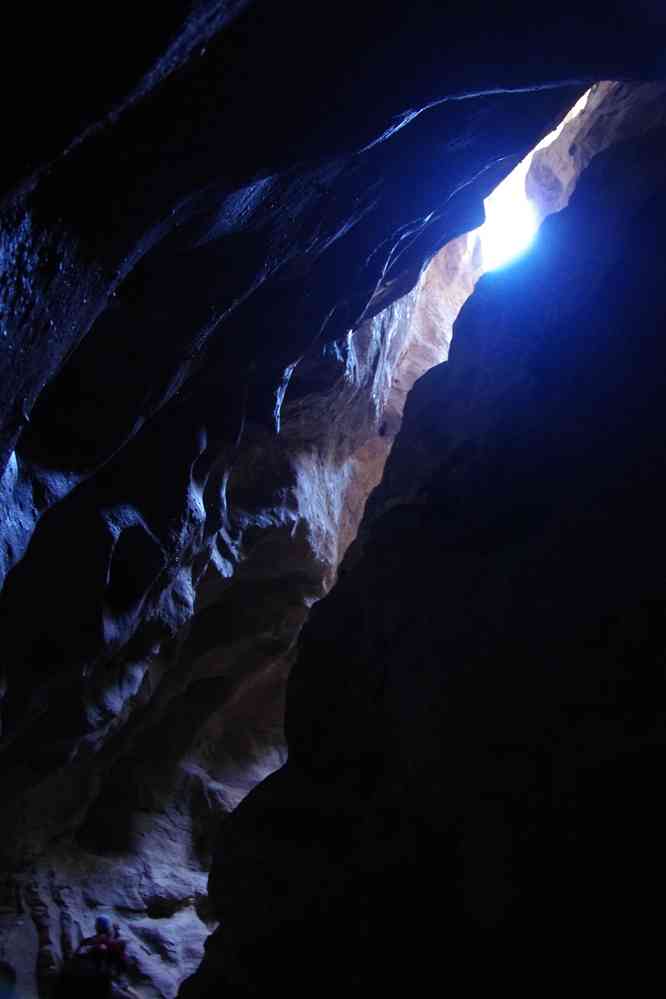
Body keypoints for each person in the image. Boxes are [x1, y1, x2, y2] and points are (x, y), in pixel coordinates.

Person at [56, 915, 130, 999]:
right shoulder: (112, 944)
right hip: (95, 986)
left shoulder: (86, 941)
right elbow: (124, 964)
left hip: (70, 984)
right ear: (109, 930)